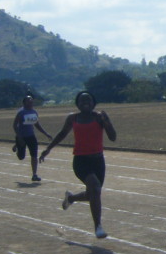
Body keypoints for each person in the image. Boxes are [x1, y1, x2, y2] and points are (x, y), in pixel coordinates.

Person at [39, 91, 117, 238]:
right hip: (81, 161)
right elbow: (62, 133)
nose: (85, 103)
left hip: (98, 161)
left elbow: (113, 137)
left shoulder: (99, 117)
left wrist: (107, 122)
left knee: (92, 194)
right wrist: (48, 149)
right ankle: (98, 226)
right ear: (77, 104)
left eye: (88, 100)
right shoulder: (73, 118)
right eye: (82, 101)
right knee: (94, 187)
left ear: (93, 103)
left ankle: (71, 198)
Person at [12, 94, 52, 182]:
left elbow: (36, 124)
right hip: (21, 137)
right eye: (28, 101)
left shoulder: (34, 112)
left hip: (31, 136)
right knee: (21, 157)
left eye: (31, 101)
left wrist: (46, 134)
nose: (31, 103)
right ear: (24, 103)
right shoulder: (21, 112)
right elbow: (15, 125)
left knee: (34, 155)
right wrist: (19, 137)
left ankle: (34, 175)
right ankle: (17, 146)